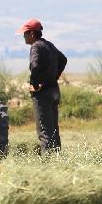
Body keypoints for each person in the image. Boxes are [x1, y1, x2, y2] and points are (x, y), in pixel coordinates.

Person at [19, 18, 67, 153]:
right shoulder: (49, 45)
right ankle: (57, 157)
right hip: (54, 90)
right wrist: (54, 78)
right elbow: (63, 60)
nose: (24, 36)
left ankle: (48, 162)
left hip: (43, 94)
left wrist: (35, 84)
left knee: (44, 129)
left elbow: (35, 65)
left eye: (25, 33)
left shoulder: (36, 46)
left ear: (32, 34)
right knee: (53, 128)